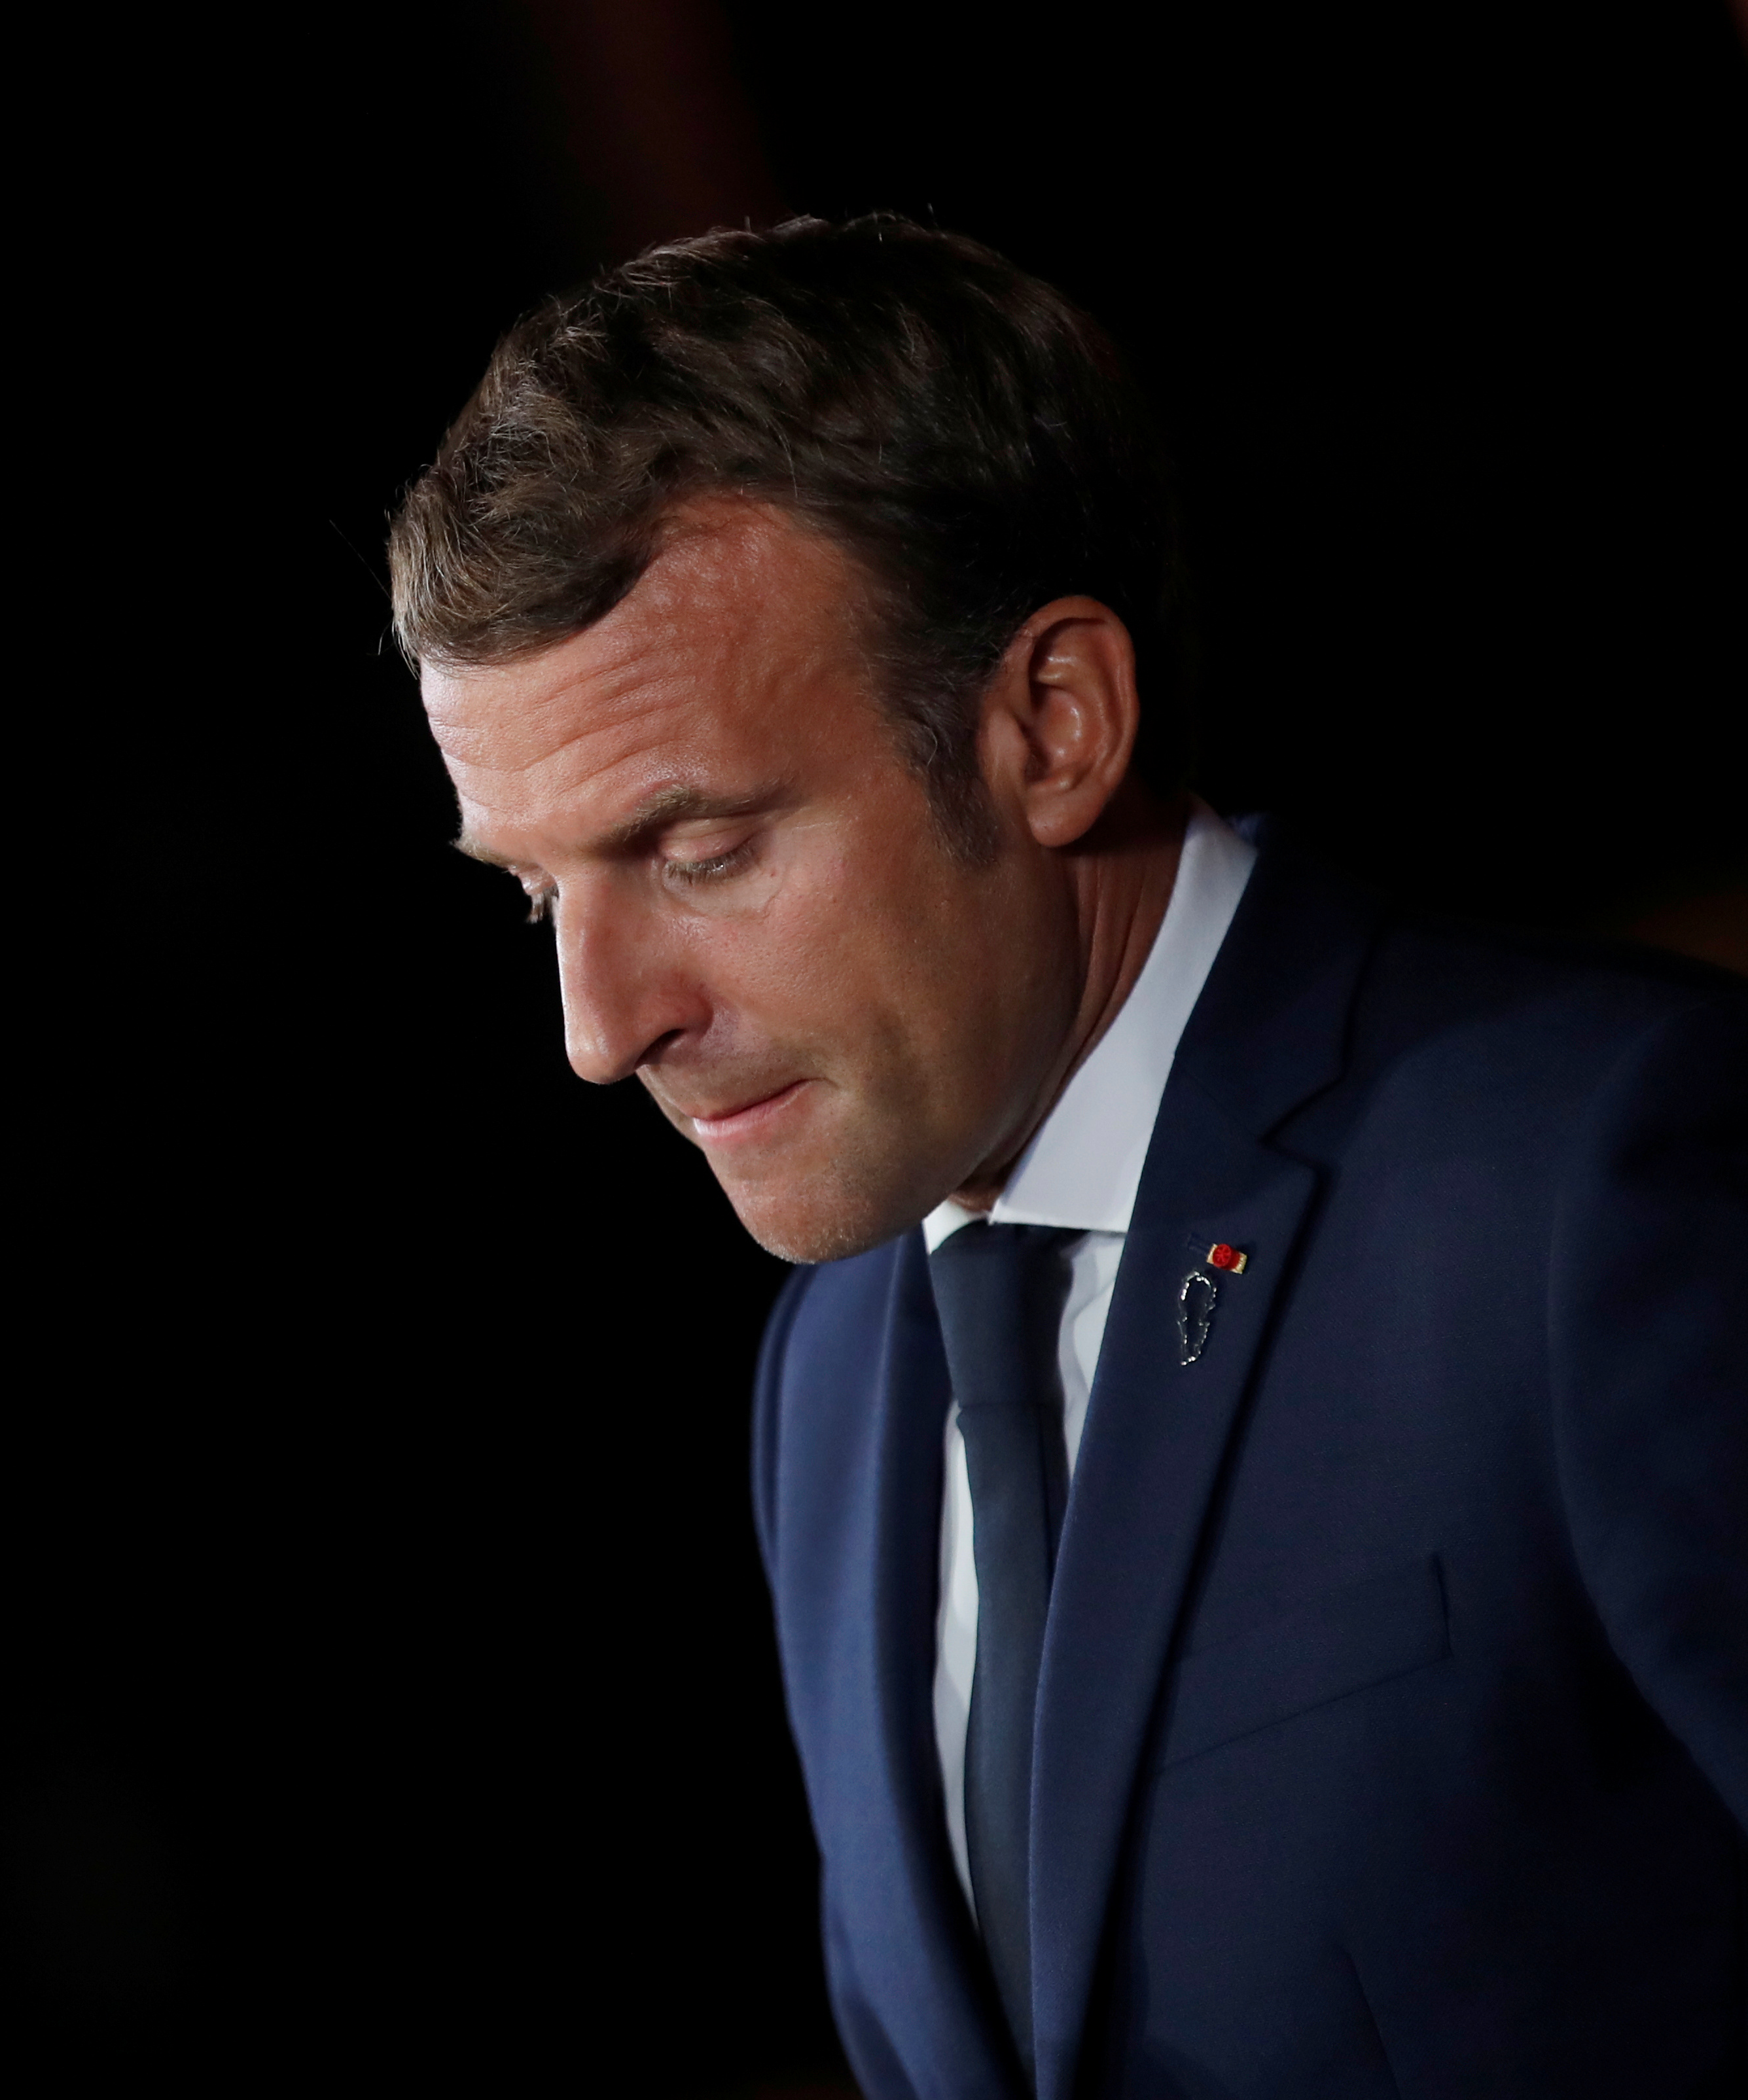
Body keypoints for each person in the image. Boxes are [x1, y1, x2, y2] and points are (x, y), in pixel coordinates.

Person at [390, 215, 1745, 2098]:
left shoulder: (1601, 1185)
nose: (600, 1026)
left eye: (695, 850)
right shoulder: (833, 1371)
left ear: (1052, 725)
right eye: (536, 893)